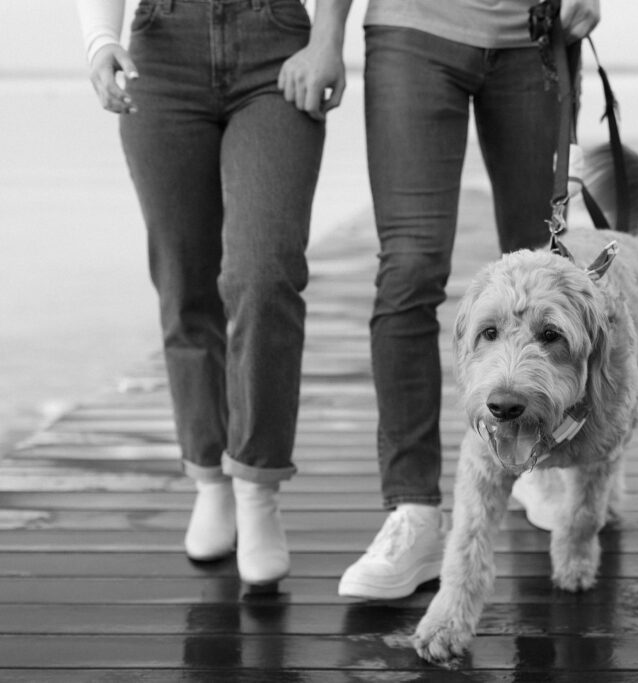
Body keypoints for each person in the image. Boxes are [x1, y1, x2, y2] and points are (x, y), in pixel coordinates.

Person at [285, 0, 601, 600]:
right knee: (409, 270)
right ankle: (414, 513)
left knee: (543, 267)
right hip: (414, 29)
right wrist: (326, 35)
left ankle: (536, 457)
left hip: (533, 33)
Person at [76, 0, 350, 586]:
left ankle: (257, 488)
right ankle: (209, 478)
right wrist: (100, 40)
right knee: (184, 280)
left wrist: (328, 38)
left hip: (276, 47)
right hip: (162, 50)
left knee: (265, 272)